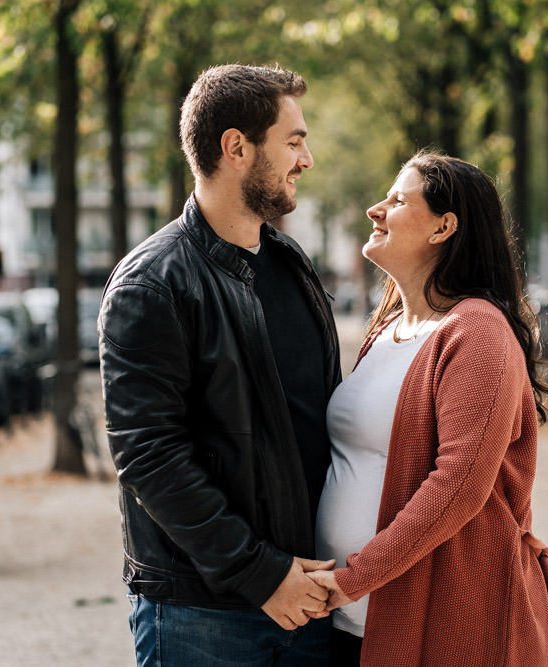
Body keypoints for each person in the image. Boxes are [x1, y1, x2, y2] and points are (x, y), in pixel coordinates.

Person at [98, 64, 342, 667]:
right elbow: (149, 457)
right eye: (293, 140)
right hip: (201, 618)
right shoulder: (150, 285)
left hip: (312, 607)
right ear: (236, 147)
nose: (306, 158)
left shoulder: (291, 266)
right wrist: (262, 575)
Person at [311, 150, 548, 666]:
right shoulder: (385, 330)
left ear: (443, 227)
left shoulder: (477, 332)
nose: (375, 210)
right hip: (353, 620)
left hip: (446, 624)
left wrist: (354, 577)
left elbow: (459, 486)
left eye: (398, 199)